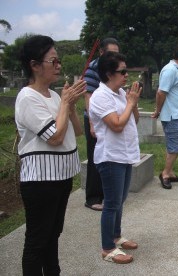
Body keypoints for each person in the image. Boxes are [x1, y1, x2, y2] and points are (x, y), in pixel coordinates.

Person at [15, 35, 87, 275]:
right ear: (35, 65)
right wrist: (65, 105)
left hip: (61, 176)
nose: (59, 66)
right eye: (53, 61)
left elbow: (76, 131)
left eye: (58, 61)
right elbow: (55, 138)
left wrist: (71, 105)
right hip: (41, 180)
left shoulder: (55, 96)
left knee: (53, 234)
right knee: (37, 239)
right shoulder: (27, 97)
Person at [89, 51, 141, 264]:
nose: (126, 75)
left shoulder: (120, 93)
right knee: (111, 203)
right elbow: (117, 125)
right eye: (122, 71)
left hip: (124, 154)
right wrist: (130, 103)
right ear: (109, 74)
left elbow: (133, 120)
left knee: (120, 201)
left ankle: (116, 236)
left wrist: (133, 102)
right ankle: (107, 247)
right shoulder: (99, 97)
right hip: (110, 157)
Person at [83, 38, 120, 211]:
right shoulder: (93, 68)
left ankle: (106, 194)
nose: (113, 56)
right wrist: (92, 123)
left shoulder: (114, 69)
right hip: (95, 119)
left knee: (108, 156)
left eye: (116, 53)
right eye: (110, 52)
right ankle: (92, 197)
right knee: (95, 157)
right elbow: (88, 96)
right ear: (101, 52)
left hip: (110, 117)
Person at [152, 45, 178, 189]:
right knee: (176, 146)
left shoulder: (176, 70)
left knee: (174, 145)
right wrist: (158, 110)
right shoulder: (170, 70)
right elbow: (161, 93)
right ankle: (166, 174)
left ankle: (170, 172)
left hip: (176, 114)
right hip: (172, 115)